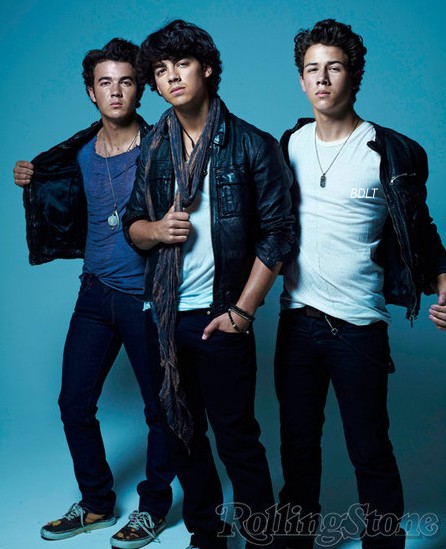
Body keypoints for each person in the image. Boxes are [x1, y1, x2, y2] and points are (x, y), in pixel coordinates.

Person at [274, 18, 446, 549]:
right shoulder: (289, 144)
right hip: (296, 321)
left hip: (359, 327)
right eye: (312, 69)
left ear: (355, 76)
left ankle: (384, 541)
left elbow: (422, 231)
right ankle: (294, 538)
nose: (322, 79)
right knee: (297, 448)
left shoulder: (390, 152)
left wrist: (444, 285)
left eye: (334, 68)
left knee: (369, 448)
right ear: (301, 80)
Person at [123, 19, 294, 549]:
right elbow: (133, 224)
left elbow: (279, 233)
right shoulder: (153, 148)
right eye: (161, 70)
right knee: (182, 433)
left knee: (237, 437)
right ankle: (206, 533)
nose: (172, 76)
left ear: (209, 69)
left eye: (182, 64)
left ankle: (261, 534)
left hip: (220, 315)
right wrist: (156, 229)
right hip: (163, 316)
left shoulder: (252, 145)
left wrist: (243, 310)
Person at [13, 38, 176, 549]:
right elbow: (53, 187)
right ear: (91, 92)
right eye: (105, 82)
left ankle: (153, 508)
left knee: (162, 410)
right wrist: (32, 177)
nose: (116, 91)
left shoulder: (162, 149)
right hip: (95, 293)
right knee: (74, 403)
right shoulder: (78, 154)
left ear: (140, 89)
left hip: (146, 297)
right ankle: (97, 503)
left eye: (126, 81)